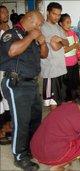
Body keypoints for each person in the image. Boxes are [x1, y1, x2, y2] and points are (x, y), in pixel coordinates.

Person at [0, 10, 48, 170]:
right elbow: (12, 51)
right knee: (21, 122)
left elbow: (44, 55)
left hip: (32, 83)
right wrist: (32, 37)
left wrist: (42, 42)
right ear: (30, 20)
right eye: (40, 24)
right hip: (16, 83)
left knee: (35, 119)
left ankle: (29, 149)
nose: (41, 27)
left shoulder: (33, 36)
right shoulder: (10, 33)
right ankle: (19, 156)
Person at [41, 2, 69, 110]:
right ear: (48, 13)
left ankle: (58, 122)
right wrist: (61, 42)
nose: (57, 17)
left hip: (61, 69)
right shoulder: (43, 27)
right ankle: (54, 124)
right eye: (54, 14)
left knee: (60, 99)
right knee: (53, 102)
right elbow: (55, 47)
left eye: (59, 15)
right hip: (50, 71)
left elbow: (67, 42)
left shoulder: (58, 28)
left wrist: (60, 39)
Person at [59, 13, 80, 101]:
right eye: (67, 22)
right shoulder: (59, 34)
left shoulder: (72, 32)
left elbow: (77, 43)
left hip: (74, 62)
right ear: (61, 23)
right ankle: (67, 101)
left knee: (75, 83)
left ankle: (75, 99)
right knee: (67, 85)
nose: (69, 25)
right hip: (65, 65)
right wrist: (74, 46)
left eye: (70, 22)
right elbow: (64, 50)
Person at [0, 5, 12, 145]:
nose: (6, 13)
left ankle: (7, 125)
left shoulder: (8, 27)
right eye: (2, 12)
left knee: (6, 95)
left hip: (6, 66)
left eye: (6, 11)